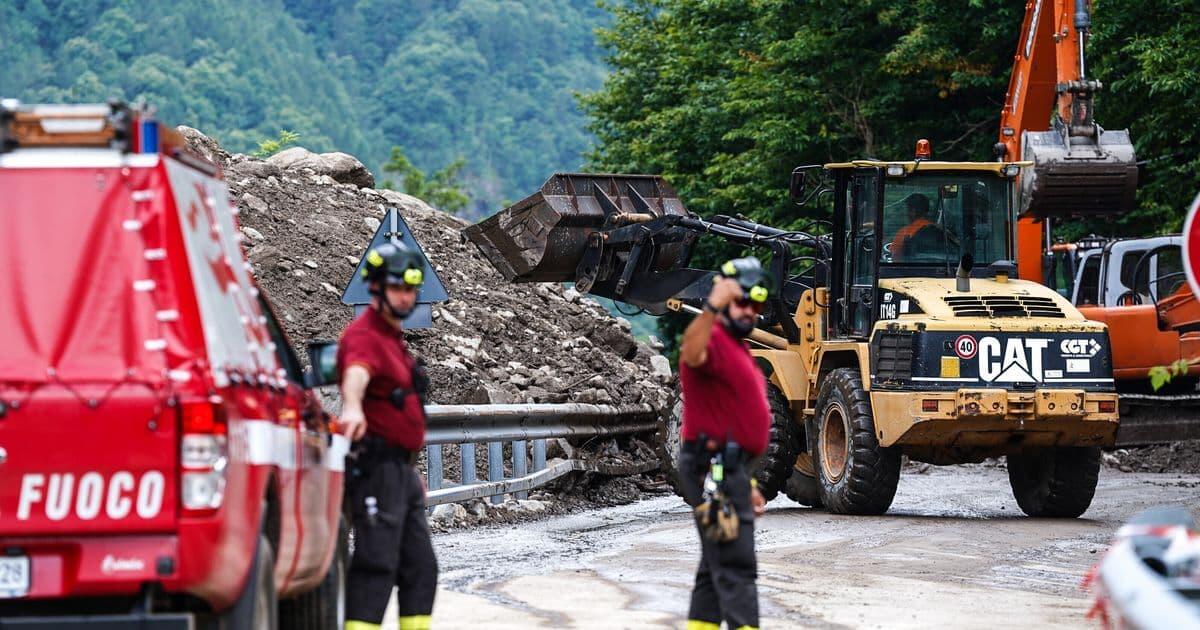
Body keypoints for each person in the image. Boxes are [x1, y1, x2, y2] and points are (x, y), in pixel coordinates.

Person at [339, 242, 437, 630]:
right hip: (376, 468)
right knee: (376, 563)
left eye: (411, 289)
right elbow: (356, 374)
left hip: (400, 471)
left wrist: (410, 472)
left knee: (420, 567)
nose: (406, 296)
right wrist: (351, 407)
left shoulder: (392, 338)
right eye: (397, 287)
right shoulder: (365, 335)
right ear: (375, 287)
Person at [677, 257, 772, 630]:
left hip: (728, 469)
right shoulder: (711, 337)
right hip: (711, 467)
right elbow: (690, 353)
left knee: (714, 565)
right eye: (741, 301)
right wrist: (712, 306)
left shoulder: (736, 346)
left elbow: (734, 418)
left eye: (755, 305)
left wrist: (747, 482)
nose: (749, 311)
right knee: (735, 563)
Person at [890, 192, 933, 260]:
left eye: (906, 210)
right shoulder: (940, 231)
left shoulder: (904, 233)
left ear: (913, 211)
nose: (905, 213)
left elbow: (895, 257)